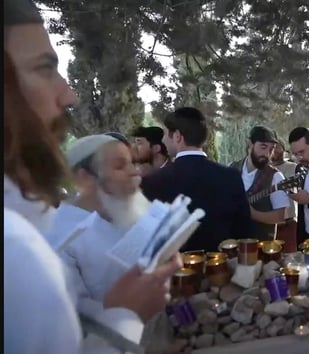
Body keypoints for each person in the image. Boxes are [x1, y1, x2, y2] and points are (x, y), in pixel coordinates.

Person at [4, 1, 179, 351]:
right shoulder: (20, 247)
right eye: (43, 68)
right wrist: (126, 313)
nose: (69, 95)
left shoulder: (32, 223)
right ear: (84, 176)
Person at [60, 135, 152, 316]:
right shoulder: (60, 234)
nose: (135, 172)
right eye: (120, 166)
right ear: (85, 178)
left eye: (132, 163)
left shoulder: (132, 212)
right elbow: (76, 312)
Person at [141, 107, 252, 251]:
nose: (163, 140)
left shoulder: (153, 181)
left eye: (166, 134)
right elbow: (244, 230)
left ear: (178, 136)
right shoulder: (231, 176)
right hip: (223, 266)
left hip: (177, 269)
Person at [231, 126, 289, 240]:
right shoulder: (232, 169)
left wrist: (253, 214)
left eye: (271, 149)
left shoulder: (275, 177)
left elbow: (280, 217)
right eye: (263, 147)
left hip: (261, 246)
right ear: (250, 144)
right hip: (232, 242)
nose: (267, 154)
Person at [271, 142, 299, 252]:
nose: (276, 149)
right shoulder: (264, 171)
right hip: (269, 224)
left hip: (289, 222)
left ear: (283, 149)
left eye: (278, 147)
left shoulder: (294, 168)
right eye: (273, 147)